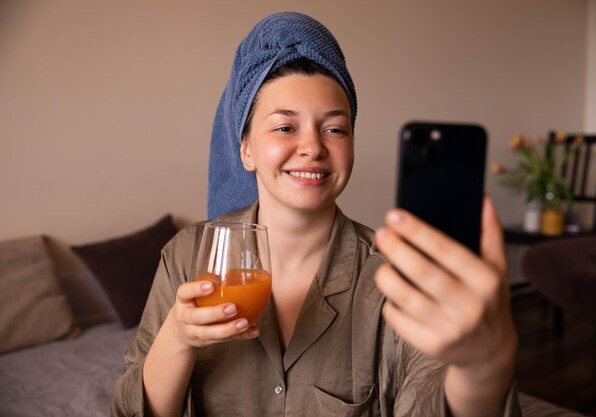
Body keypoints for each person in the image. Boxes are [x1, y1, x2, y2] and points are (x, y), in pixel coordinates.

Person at [112, 11, 519, 417]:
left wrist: (484, 369)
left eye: (334, 129)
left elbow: (433, 397)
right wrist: (178, 338)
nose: (313, 147)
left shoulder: (393, 274)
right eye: (285, 128)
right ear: (246, 149)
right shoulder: (188, 255)